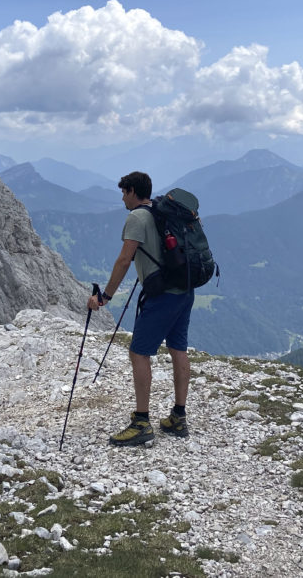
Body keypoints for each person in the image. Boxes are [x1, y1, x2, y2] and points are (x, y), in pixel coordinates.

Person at [87, 171, 194, 446]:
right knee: (178, 348)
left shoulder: (137, 217)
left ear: (133, 191)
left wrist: (105, 297)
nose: (122, 198)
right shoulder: (161, 212)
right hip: (185, 288)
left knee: (138, 353)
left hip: (163, 296)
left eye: (124, 192)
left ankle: (142, 422)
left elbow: (124, 259)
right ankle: (178, 417)